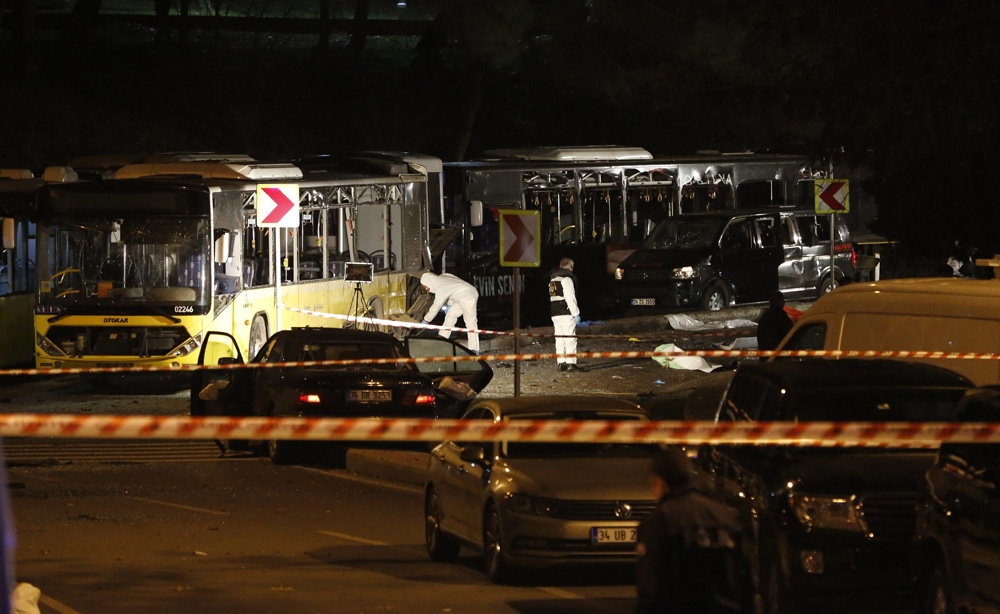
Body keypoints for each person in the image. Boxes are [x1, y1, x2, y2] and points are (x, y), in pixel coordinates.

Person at [635, 449, 750, 614]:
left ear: (659, 483)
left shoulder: (658, 522)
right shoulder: (728, 517)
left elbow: (649, 592)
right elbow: (746, 582)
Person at [420, 272, 480, 353]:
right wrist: (449, 304)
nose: (426, 289)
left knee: (470, 322)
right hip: (461, 297)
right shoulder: (442, 277)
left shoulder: (440, 287)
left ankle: (474, 349)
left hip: (468, 296)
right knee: (450, 315)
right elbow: (454, 287)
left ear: (430, 282)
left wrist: (426, 320)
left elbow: (436, 306)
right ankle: (443, 336)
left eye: (425, 286)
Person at [548, 257, 581, 371]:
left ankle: (561, 363)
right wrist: (576, 313)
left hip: (555, 312)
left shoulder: (553, 279)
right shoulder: (566, 279)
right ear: (570, 267)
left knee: (559, 338)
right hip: (565, 312)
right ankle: (571, 363)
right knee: (570, 338)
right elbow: (570, 297)